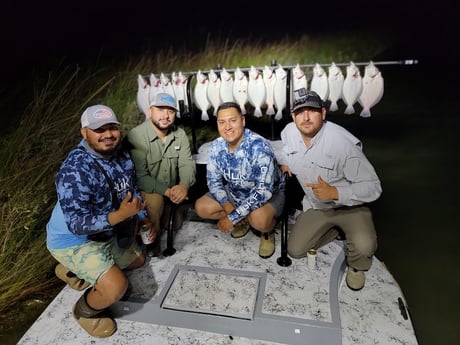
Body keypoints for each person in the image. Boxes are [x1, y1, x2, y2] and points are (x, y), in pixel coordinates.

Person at [46, 105, 155, 338]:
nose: (107, 134)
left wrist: (143, 218)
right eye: (98, 129)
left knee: (139, 260)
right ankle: (85, 312)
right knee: (117, 288)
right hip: (74, 240)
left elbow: (131, 190)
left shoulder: (120, 152)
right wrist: (120, 216)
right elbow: (77, 224)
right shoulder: (74, 170)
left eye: (112, 128)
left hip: (108, 230)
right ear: (84, 133)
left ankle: (72, 272)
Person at [278, 89, 382, 291]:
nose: (306, 117)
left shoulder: (343, 144)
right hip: (317, 206)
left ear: (323, 114)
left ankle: (356, 266)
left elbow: (373, 187)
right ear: (293, 116)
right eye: (300, 112)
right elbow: (283, 150)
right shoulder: (289, 132)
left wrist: (336, 193)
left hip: (350, 206)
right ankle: (335, 231)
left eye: (312, 111)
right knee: (295, 250)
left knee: (364, 246)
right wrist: (284, 162)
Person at [194, 102, 285, 259]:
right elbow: (213, 181)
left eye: (233, 120)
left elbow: (263, 191)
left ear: (243, 121)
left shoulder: (259, 146)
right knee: (201, 207)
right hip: (236, 192)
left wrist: (232, 217)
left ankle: (267, 231)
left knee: (260, 220)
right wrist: (228, 206)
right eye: (222, 122)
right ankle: (245, 220)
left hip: (268, 195)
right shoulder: (216, 146)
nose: (227, 127)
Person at [126, 92, 196, 255]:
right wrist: (167, 192)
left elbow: (186, 164)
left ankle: (165, 213)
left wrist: (183, 185)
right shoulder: (136, 136)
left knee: (176, 224)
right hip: (149, 190)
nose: (165, 115)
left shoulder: (179, 134)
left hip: (172, 189)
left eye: (170, 111)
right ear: (150, 111)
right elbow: (140, 177)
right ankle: (151, 244)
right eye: (160, 109)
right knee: (155, 203)